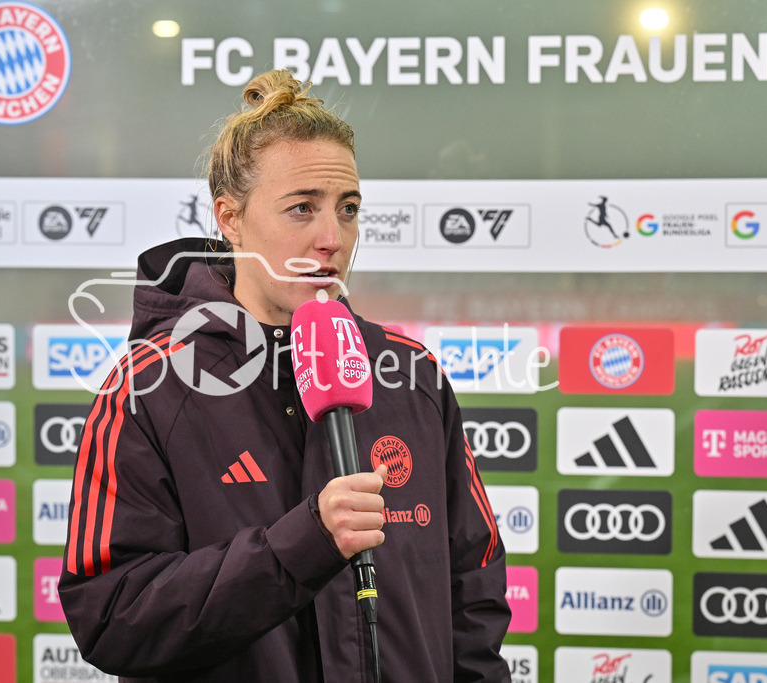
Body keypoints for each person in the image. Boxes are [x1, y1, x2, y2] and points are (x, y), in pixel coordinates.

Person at [59, 69, 511, 682]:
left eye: (347, 210)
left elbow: (473, 588)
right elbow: (111, 616)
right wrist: (303, 544)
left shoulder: (412, 375)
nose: (332, 238)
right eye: (302, 208)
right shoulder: (149, 387)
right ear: (230, 218)